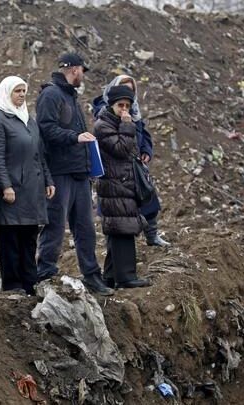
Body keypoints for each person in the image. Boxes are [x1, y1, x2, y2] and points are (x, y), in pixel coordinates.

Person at [36, 52, 113, 296]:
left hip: (79, 173)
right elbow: (45, 129)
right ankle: (45, 273)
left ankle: (92, 276)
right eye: (82, 71)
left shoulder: (70, 96)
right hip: (60, 173)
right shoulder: (51, 95)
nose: (83, 76)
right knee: (55, 225)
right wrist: (75, 137)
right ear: (74, 69)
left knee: (86, 228)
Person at [0, 76, 55, 295]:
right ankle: (13, 285)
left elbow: (39, 155)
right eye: (17, 91)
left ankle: (29, 283)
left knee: (29, 237)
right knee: (11, 239)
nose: (22, 94)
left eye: (24, 90)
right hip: (12, 190)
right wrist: (5, 186)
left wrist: (48, 180)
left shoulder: (28, 120)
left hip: (31, 190)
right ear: (7, 93)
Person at [91, 74, 170, 247]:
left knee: (146, 196)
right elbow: (115, 144)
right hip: (116, 169)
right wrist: (126, 125)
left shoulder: (133, 111)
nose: (127, 99)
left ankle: (151, 234)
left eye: (131, 91)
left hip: (135, 162)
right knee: (117, 210)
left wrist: (146, 150)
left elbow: (143, 132)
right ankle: (115, 248)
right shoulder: (107, 113)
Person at [93, 86, 151, 289]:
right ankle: (126, 277)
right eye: (120, 105)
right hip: (114, 185)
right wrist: (127, 125)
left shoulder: (118, 123)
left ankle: (110, 275)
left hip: (123, 183)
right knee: (122, 228)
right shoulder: (103, 125)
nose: (124, 110)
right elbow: (120, 149)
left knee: (118, 228)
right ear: (111, 105)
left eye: (127, 106)